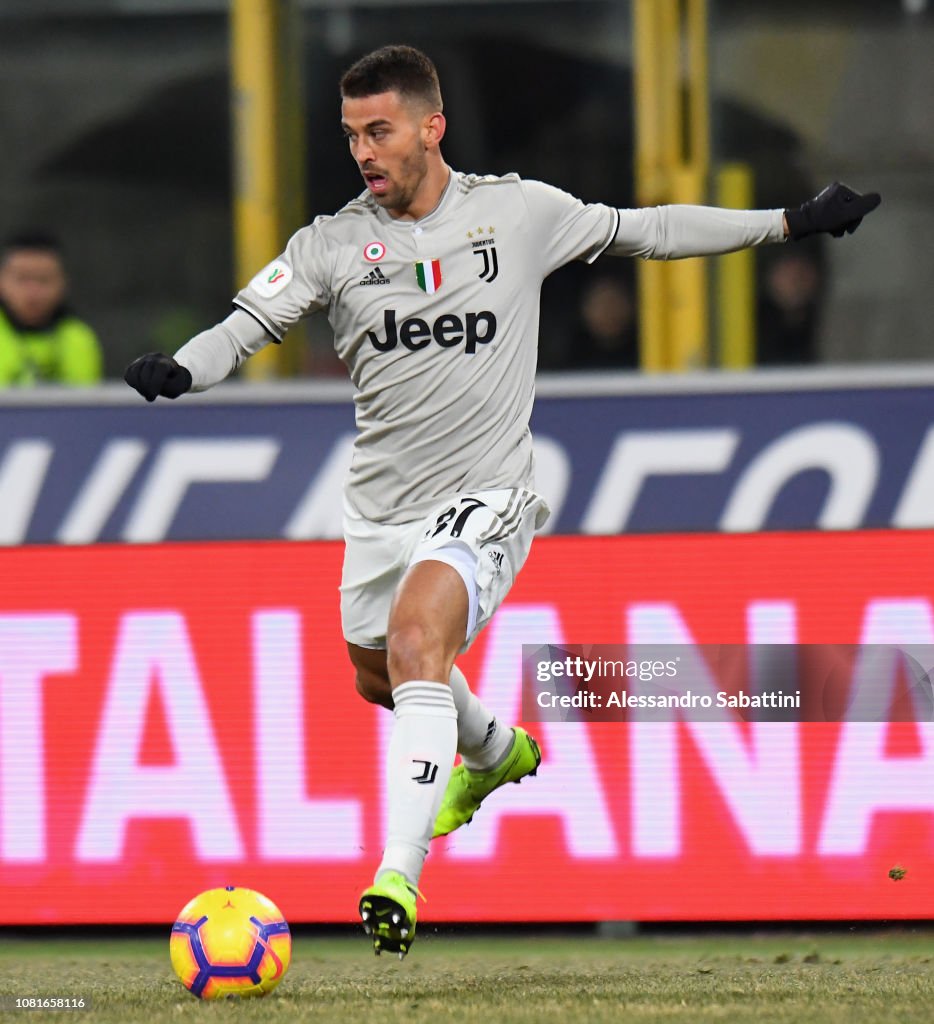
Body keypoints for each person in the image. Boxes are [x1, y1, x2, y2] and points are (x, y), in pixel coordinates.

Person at [124, 45, 880, 958]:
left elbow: (651, 229)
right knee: (384, 676)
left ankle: (396, 872)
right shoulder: (330, 244)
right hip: (380, 508)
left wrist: (789, 222)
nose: (363, 150)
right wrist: (182, 370)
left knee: (414, 645)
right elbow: (247, 324)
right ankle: (493, 751)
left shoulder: (519, 213)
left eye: (380, 130)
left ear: (430, 127)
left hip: (488, 496)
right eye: (351, 133)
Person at [0, 231, 103, 387]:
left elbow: (83, 408)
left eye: (44, 280)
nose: (33, 292)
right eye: (22, 279)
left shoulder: (79, 339)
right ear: (2, 281)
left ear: (63, 283)